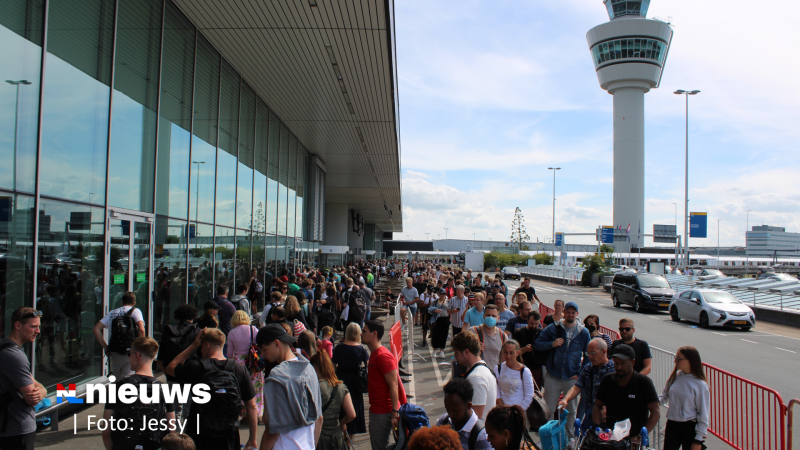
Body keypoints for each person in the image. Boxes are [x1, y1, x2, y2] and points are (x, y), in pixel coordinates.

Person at [166, 328, 258, 450]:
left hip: (199, 434)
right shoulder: (239, 370)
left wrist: (193, 346)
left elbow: (170, 368)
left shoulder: (195, 367)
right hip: (229, 435)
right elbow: (251, 406)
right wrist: (252, 439)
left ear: (206, 345)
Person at [102, 337, 176, 450]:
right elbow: (172, 430)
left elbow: (106, 431)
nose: (129, 357)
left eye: (129, 354)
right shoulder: (164, 389)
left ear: (137, 355)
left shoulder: (118, 387)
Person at [257, 323, 323, 450]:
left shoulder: (277, 377)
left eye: (264, 349)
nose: (262, 355)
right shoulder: (309, 369)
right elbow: (319, 418)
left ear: (277, 343)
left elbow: (273, 431)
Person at [534, 301, 591, 436]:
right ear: (564, 312)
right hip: (553, 375)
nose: (570, 315)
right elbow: (537, 344)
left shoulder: (583, 332)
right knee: (548, 409)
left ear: (577, 314)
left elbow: (588, 355)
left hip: (571, 377)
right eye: (568, 312)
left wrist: (580, 374)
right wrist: (551, 344)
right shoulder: (554, 328)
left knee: (571, 410)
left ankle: (570, 437)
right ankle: (548, 436)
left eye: (573, 312)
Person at [593, 343, 660, 445]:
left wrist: (640, 436)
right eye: (616, 363)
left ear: (633, 362)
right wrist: (597, 428)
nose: (619, 367)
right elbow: (597, 406)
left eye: (623, 363)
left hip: (635, 441)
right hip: (612, 439)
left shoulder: (644, 382)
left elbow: (656, 412)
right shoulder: (607, 380)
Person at [0, 308, 47, 450]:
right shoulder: (14, 355)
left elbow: (33, 382)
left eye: (38, 326)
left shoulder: (5, 347)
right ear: (18, 325)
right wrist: (42, 390)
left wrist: (42, 390)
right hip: (17, 428)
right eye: (33, 326)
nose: (38, 331)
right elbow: (32, 398)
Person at [362, 319, 408, 450]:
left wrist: (394, 414)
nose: (361, 334)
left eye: (364, 331)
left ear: (374, 334)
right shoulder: (375, 354)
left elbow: (394, 385)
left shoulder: (382, 356)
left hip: (383, 412)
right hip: (379, 411)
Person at [557, 338, 615, 429]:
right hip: (590, 414)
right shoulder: (588, 368)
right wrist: (565, 400)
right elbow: (576, 387)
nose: (590, 357)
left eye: (593, 353)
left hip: (607, 416)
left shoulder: (613, 369)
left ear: (604, 351)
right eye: (588, 353)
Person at [659, 346, 710, 450]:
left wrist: (698, 439)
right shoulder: (675, 376)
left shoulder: (700, 385)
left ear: (690, 360)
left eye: (678, 359)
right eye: (675, 357)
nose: (675, 361)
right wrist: (651, 402)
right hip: (672, 425)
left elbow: (703, 413)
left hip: (689, 428)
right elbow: (664, 395)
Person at [310, 351, 357, 450]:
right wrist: (342, 423)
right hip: (337, 437)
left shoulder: (313, 388)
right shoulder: (341, 387)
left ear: (314, 368)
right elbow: (352, 414)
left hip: (319, 438)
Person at [93, 291, 145, 377]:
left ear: (122, 301)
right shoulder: (136, 311)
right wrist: (140, 349)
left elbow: (96, 329)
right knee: (127, 379)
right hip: (130, 351)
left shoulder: (112, 313)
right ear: (134, 303)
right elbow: (141, 329)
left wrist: (106, 347)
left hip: (114, 351)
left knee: (116, 378)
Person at [225, 310, 264, 420]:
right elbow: (259, 345)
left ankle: (245, 413)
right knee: (256, 386)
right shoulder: (253, 329)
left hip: (239, 362)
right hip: (254, 360)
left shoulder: (232, 333)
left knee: (241, 387)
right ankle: (256, 412)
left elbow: (229, 353)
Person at [332, 323, 369, 437]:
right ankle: (349, 440)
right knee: (354, 409)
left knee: (340, 409)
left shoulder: (339, 347)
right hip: (355, 383)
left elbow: (332, 366)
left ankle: (341, 434)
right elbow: (368, 364)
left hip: (340, 380)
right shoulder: (361, 349)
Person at [451, 331, 497, 420]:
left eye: (456, 352)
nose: (455, 356)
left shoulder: (476, 377)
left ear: (466, 352)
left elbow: (476, 417)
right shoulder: (484, 370)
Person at [434, 378, 491, 450]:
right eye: (448, 409)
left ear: (469, 406)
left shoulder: (481, 435)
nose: (450, 415)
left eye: (455, 411)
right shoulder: (444, 421)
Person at [493, 340, 534, 412]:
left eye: (511, 353)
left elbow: (529, 396)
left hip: (519, 413)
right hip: (503, 412)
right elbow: (496, 392)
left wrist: (517, 412)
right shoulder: (498, 368)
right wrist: (504, 410)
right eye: (506, 352)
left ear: (517, 353)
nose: (508, 356)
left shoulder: (525, 371)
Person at [513, 310, 544, 389]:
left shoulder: (542, 333)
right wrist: (524, 349)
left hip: (537, 368)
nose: (534, 326)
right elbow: (513, 352)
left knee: (536, 391)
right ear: (527, 321)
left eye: (536, 324)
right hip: (523, 367)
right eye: (531, 323)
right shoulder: (519, 334)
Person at [470, 305, 507, 370]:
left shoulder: (503, 336)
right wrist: (474, 348)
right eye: (488, 315)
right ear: (483, 316)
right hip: (477, 372)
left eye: (493, 316)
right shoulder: (473, 331)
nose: (490, 318)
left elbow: (504, 359)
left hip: (494, 373)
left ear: (498, 318)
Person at [429, 288, 451, 358]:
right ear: (438, 294)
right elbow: (429, 309)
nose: (442, 295)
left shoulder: (449, 301)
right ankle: (434, 350)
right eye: (441, 294)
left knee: (444, 335)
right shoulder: (435, 301)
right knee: (435, 335)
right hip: (437, 319)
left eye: (443, 294)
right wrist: (435, 310)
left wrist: (450, 319)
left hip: (445, 319)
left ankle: (442, 351)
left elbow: (451, 310)